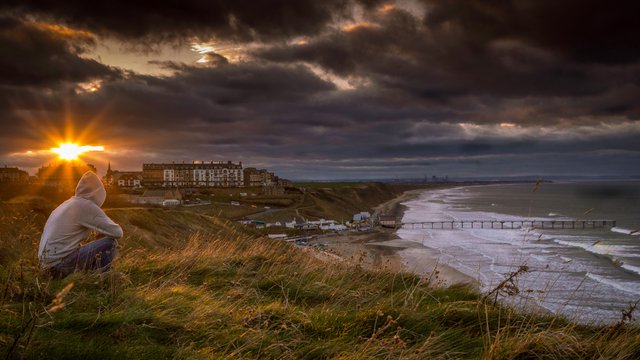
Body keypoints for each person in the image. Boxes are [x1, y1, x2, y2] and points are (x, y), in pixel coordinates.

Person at [38, 171, 123, 278]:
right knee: (110, 242)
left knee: (83, 247)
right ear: (98, 194)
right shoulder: (85, 205)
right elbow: (117, 232)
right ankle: (101, 278)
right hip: (58, 268)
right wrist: (102, 233)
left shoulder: (66, 204)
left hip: (45, 267)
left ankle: (90, 276)